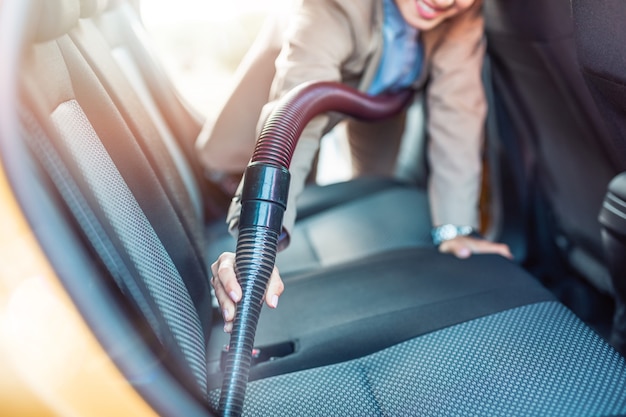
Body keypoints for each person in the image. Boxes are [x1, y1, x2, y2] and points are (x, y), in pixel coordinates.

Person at [202, 0, 513, 333]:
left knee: (374, 180)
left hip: (367, 110)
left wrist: (456, 229)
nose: (446, 0)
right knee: (272, 196)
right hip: (258, 151)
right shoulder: (332, 7)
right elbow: (298, 118)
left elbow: (458, 109)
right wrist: (258, 244)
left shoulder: (461, 16)